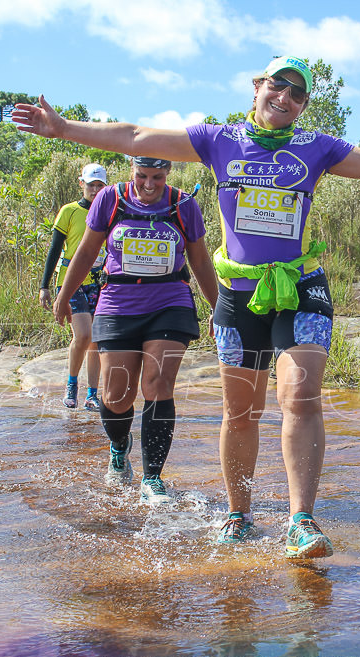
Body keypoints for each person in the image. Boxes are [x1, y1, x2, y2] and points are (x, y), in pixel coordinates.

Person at [13, 55, 360, 558]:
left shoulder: (317, 148)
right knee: (241, 412)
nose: (286, 97)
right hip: (239, 295)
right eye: (278, 85)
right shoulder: (218, 140)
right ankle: (239, 514)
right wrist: (63, 129)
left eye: (298, 93)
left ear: (303, 105)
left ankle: (302, 521)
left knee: (299, 397)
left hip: (299, 288)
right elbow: (135, 138)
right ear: (257, 86)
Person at [52, 156, 219, 504]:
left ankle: (153, 477)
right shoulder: (109, 199)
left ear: (168, 173)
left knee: (157, 384)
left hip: (170, 302)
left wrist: (220, 307)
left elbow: (200, 260)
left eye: (157, 177)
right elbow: (86, 251)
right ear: (131, 169)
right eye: (142, 176)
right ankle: (119, 445)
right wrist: (64, 295)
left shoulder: (184, 205)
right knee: (116, 396)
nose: (148, 185)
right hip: (118, 302)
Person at [38, 162, 108, 410]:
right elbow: (54, 249)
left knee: (96, 340)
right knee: (83, 335)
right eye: (91, 185)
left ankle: (92, 394)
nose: (95, 190)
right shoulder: (68, 211)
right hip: (71, 280)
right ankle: (71, 384)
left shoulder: (111, 211)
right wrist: (44, 286)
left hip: (99, 281)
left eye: (100, 185)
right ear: (82, 184)